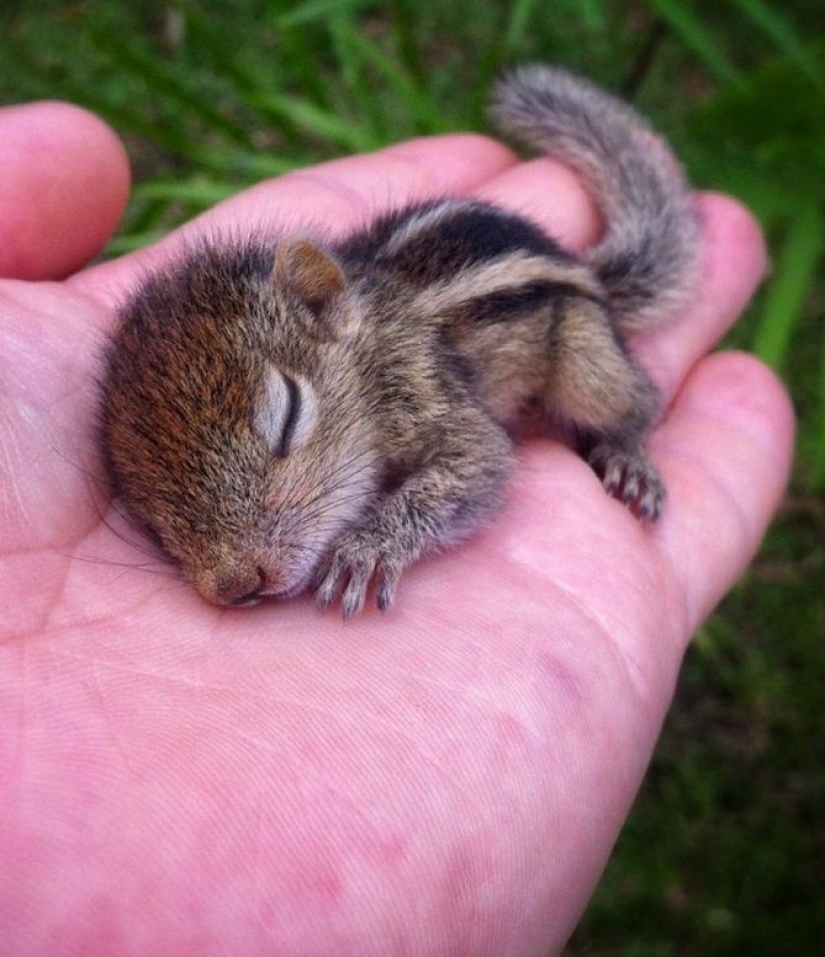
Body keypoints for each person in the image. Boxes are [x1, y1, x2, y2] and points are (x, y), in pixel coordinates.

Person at [0, 101, 793, 955]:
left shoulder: (396, 367)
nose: (228, 573)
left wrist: (391, 533)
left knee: (597, 389)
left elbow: (479, 461)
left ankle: (623, 433)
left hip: (550, 319)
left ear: (322, 306)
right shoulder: (248, 461)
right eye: (167, 520)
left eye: (283, 428)